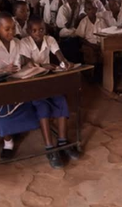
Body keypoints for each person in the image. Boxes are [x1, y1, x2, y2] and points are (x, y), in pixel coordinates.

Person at [20, 17, 79, 168]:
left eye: (41, 30)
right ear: (28, 32)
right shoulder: (24, 43)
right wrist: (43, 65)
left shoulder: (50, 39)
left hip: (48, 81)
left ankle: (63, 142)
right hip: (32, 82)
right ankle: (50, 148)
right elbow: (28, 63)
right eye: (34, 31)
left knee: (61, 102)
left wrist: (64, 62)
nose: (38, 33)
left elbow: (59, 54)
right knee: (43, 108)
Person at [0, 13, 39, 159]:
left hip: (17, 81)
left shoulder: (18, 43)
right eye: (7, 29)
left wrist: (29, 64)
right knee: (2, 108)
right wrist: (3, 71)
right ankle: (8, 142)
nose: (11, 32)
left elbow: (22, 61)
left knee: (27, 101)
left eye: (13, 28)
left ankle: (18, 130)